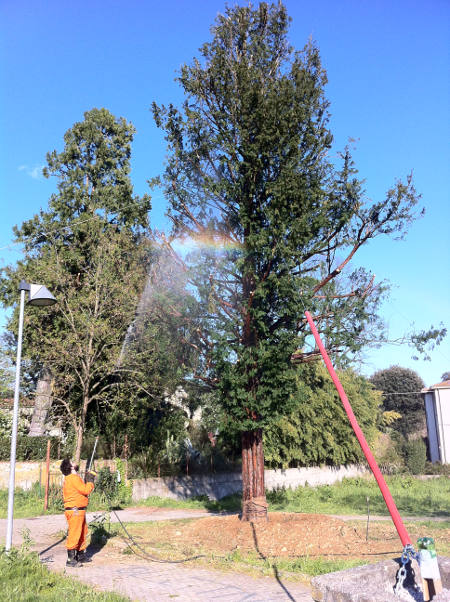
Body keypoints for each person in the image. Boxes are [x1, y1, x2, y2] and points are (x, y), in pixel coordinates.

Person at [60, 458, 96, 567]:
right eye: (72, 462)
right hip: (75, 510)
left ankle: (80, 555)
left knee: (82, 532)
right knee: (75, 533)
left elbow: (80, 490)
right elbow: (85, 490)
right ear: (71, 467)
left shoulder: (73, 478)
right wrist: (90, 481)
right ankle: (70, 559)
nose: (75, 462)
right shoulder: (73, 478)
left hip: (78, 510)